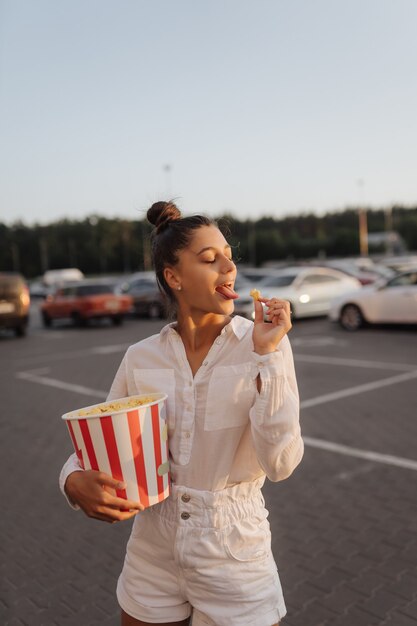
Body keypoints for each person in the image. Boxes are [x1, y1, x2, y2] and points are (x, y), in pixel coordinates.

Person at [60, 201, 304, 626]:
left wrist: (268, 356)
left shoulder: (264, 345)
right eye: (210, 259)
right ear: (173, 277)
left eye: (230, 256)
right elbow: (99, 440)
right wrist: (71, 480)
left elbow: (281, 464)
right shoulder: (141, 357)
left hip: (233, 550)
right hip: (152, 546)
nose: (229, 268)